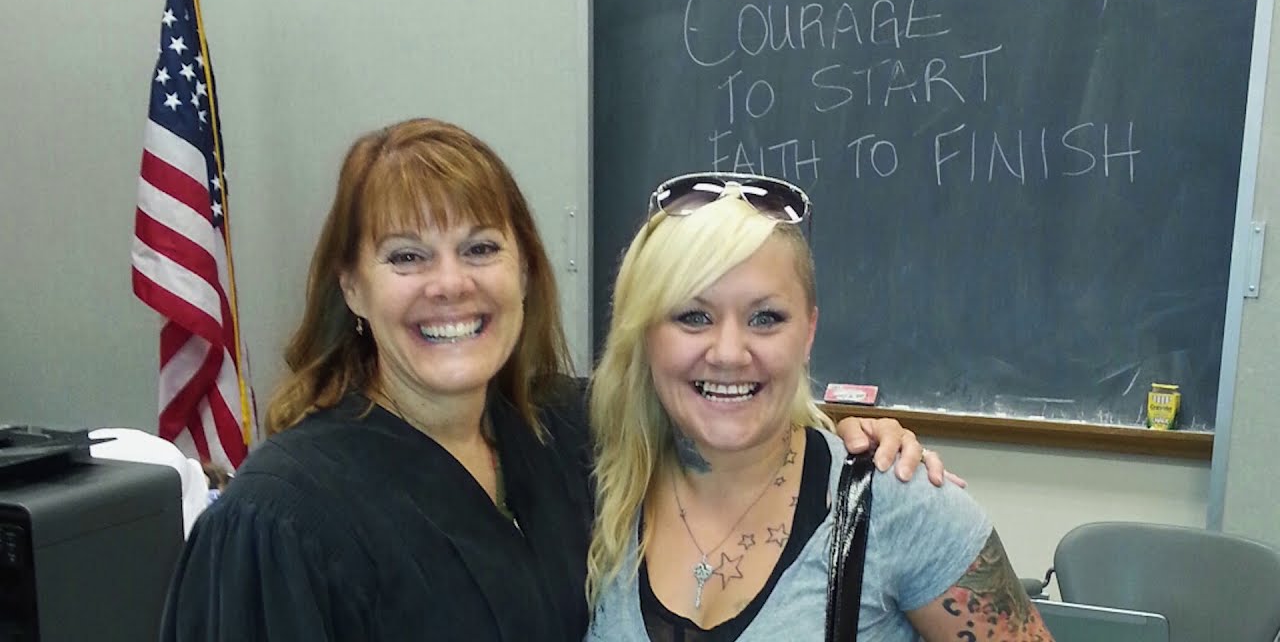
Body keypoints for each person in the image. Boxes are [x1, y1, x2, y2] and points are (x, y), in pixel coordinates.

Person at [159, 120, 948, 641]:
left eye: (480, 248)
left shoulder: (572, 429)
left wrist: (855, 438)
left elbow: (733, 410)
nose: (450, 285)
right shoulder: (280, 522)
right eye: (407, 257)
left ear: (525, 271)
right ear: (352, 288)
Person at [586, 174, 1054, 640]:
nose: (729, 353)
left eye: (765, 318)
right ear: (644, 332)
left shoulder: (901, 507)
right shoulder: (596, 491)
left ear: (808, 332)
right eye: (693, 317)